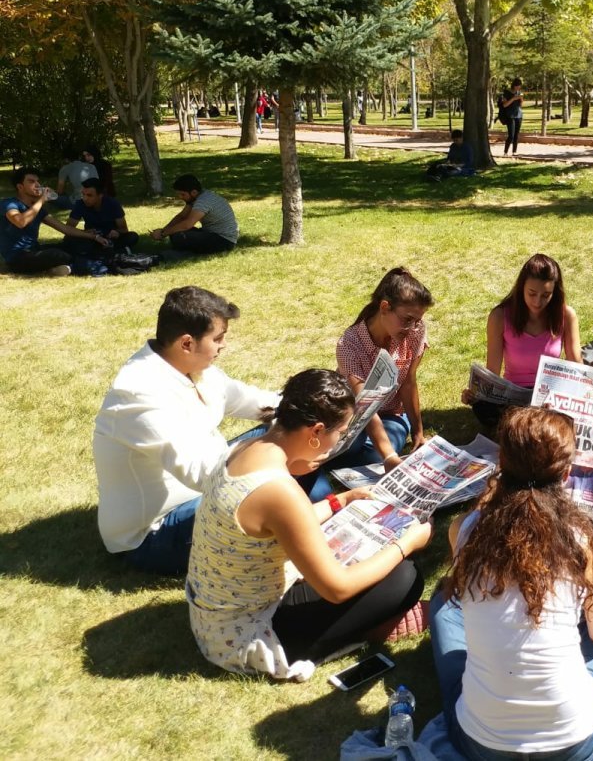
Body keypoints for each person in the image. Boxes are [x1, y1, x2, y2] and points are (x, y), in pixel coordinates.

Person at [187, 367, 430, 680]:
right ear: (315, 432)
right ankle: (361, 631)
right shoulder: (278, 490)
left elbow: (283, 525)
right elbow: (337, 588)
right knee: (404, 576)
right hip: (253, 633)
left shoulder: (243, 450)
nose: (336, 444)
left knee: (375, 563)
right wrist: (406, 543)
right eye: (339, 434)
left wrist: (339, 501)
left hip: (215, 619)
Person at [430, 406, 593, 761]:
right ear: (567, 474)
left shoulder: (464, 530)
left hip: (481, 744)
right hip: (574, 742)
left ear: (501, 463)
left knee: (442, 604)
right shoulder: (592, 543)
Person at [93, 286, 280, 575]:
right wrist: (279, 465)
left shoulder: (190, 366)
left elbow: (248, 400)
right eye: (218, 339)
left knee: (297, 432)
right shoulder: (138, 392)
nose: (223, 346)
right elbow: (201, 474)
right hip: (155, 534)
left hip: (207, 484)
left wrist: (303, 409)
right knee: (290, 494)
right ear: (186, 343)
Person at [324, 268, 434, 490]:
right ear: (385, 307)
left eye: (417, 320)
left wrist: (418, 432)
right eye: (407, 319)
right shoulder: (349, 344)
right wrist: (390, 456)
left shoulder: (415, 331)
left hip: (392, 414)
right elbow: (366, 404)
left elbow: (409, 381)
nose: (413, 327)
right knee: (356, 450)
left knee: (376, 454)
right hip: (353, 415)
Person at [461, 253, 582, 425]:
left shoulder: (566, 315)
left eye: (546, 295)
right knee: (484, 407)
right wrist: (477, 394)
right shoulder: (500, 316)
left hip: (549, 394)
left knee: (560, 411)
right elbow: (492, 372)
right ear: (521, 288)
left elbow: (576, 363)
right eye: (532, 293)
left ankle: (524, 426)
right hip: (514, 395)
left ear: (555, 293)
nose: (538, 302)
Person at [2, 167, 105, 275]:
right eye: (32, 181)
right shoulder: (9, 204)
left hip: (35, 250)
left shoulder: (37, 209)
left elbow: (64, 229)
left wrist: (92, 236)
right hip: (18, 257)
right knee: (56, 254)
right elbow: (20, 222)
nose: (37, 184)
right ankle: (73, 267)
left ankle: (62, 268)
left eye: (37, 181)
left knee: (77, 243)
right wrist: (42, 200)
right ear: (20, 187)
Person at [150, 174, 239, 255]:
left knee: (179, 237)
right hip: (210, 233)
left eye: (183, 194)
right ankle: (189, 250)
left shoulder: (203, 201)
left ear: (194, 192)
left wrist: (162, 234)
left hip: (224, 240)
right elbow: (181, 217)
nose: (180, 197)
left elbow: (187, 224)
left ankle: (185, 253)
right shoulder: (197, 196)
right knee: (175, 231)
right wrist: (164, 230)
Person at [64, 177, 139, 255]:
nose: (85, 198)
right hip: (91, 238)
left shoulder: (112, 204)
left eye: (89, 195)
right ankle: (114, 250)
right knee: (68, 239)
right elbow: (68, 229)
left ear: (100, 195)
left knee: (133, 236)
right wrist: (85, 233)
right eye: (83, 194)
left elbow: (124, 229)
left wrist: (117, 232)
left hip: (110, 237)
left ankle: (102, 251)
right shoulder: (80, 204)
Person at [500, 77, 524, 157]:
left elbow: (521, 105)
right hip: (510, 116)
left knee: (516, 135)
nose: (519, 88)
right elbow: (505, 105)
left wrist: (521, 99)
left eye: (520, 86)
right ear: (514, 85)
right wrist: (513, 98)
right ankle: (505, 152)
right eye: (517, 86)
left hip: (519, 115)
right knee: (511, 135)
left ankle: (514, 151)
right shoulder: (506, 93)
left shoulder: (519, 93)